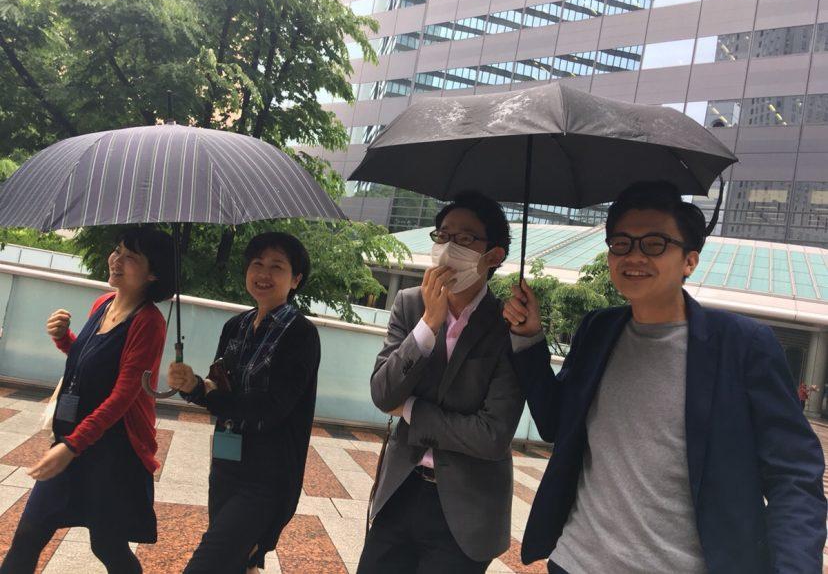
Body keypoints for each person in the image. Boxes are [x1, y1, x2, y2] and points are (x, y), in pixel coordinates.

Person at [504, 181, 827, 574]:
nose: (633, 256)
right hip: (577, 561)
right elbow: (555, 422)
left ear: (690, 261)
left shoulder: (743, 345)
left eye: (654, 244)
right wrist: (528, 338)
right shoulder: (598, 330)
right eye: (620, 243)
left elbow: (793, 475)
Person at [357, 191, 525, 574]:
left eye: (464, 239)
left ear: (494, 256)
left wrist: (412, 410)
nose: (448, 248)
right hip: (400, 490)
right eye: (443, 235)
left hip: (467, 510)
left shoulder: (508, 325)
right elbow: (383, 394)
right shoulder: (410, 304)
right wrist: (428, 324)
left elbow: (492, 435)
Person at [0, 227, 174, 574]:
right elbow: (90, 364)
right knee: (29, 535)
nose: (116, 260)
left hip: (114, 453)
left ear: (153, 274)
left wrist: (71, 446)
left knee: (107, 545)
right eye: (118, 250)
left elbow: (123, 395)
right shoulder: (103, 303)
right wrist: (65, 338)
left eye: (131, 257)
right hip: (76, 440)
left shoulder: (149, 322)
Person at [169, 232, 320, 574]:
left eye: (277, 267)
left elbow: (272, 408)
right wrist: (192, 385)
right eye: (257, 264)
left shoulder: (301, 334)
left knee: (207, 564)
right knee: (236, 561)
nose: (264, 274)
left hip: (267, 474)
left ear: (295, 279)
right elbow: (219, 385)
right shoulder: (234, 326)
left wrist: (210, 394)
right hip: (226, 463)